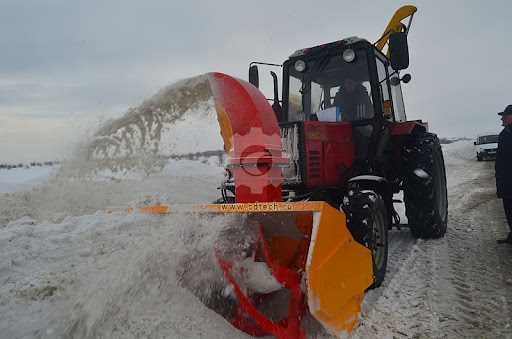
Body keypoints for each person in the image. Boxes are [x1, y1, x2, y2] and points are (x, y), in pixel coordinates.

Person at [496, 105, 512, 244]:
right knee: (509, 210)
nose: (502, 118)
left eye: (504, 115)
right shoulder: (504, 134)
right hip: (507, 182)